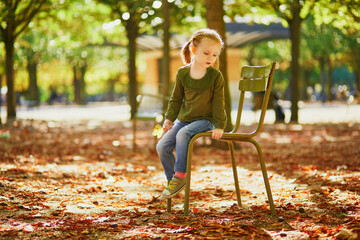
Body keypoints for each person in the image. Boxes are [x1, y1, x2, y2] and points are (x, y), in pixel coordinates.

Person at [156, 29, 227, 200]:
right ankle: (173, 181)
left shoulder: (215, 76)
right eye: (206, 53)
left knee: (183, 134)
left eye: (215, 55)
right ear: (194, 50)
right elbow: (176, 99)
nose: (211, 58)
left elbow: (219, 102)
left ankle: (180, 177)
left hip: (206, 120)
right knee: (162, 146)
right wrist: (169, 118)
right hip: (184, 120)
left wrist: (219, 125)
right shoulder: (182, 73)